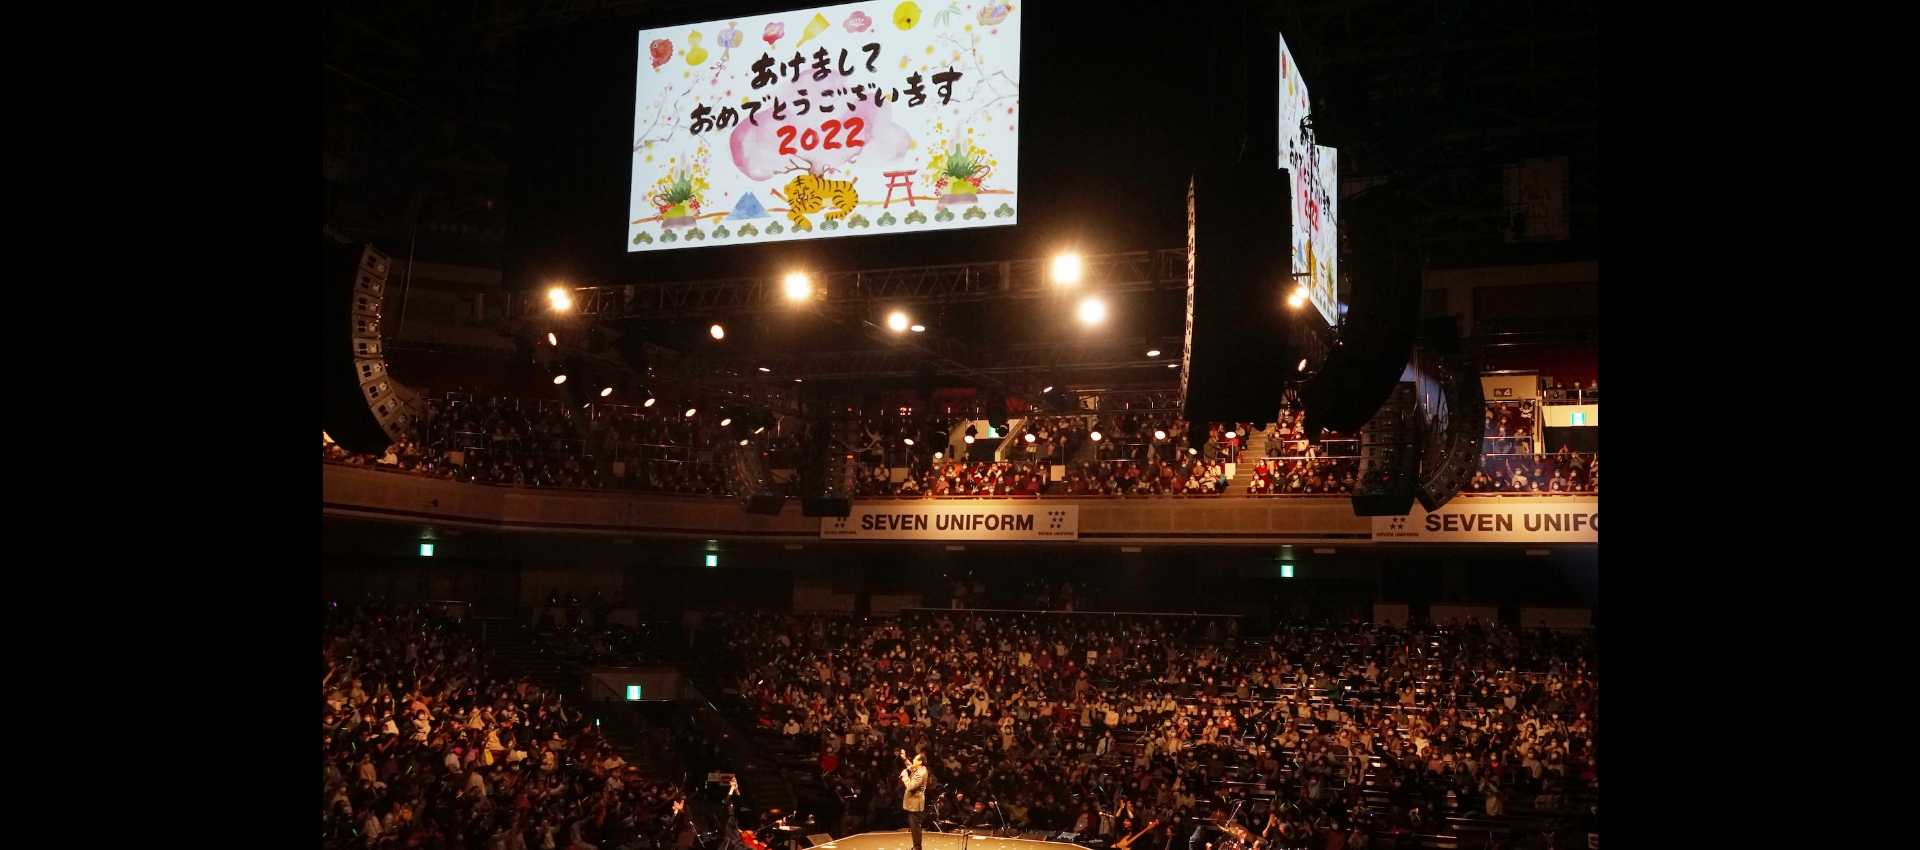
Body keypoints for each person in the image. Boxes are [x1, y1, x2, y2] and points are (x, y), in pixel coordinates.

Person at [900, 748, 929, 850]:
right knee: (914, 826)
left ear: (920, 761)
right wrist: (904, 759)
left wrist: (905, 777)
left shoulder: (921, 774)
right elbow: (911, 767)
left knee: (915, 827)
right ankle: (916, 846)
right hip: (912, 803)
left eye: (915, 759)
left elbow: (911, 786)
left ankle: (917, 847)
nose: (913, 760)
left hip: (915, 803)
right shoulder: (918, 769)